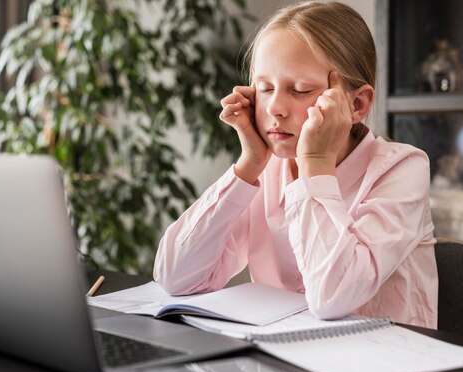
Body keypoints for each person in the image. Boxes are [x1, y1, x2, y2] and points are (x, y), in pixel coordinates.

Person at [154, 1, 438, 328]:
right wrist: (248, 165)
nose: (275, 107)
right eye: (264, 88)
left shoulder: (402, 170)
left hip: (381, 366)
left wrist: (315, 165)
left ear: (356, 104)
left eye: (300, 90)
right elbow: (175, 277)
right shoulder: (266, 170)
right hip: (285, 360)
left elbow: (332, 298)